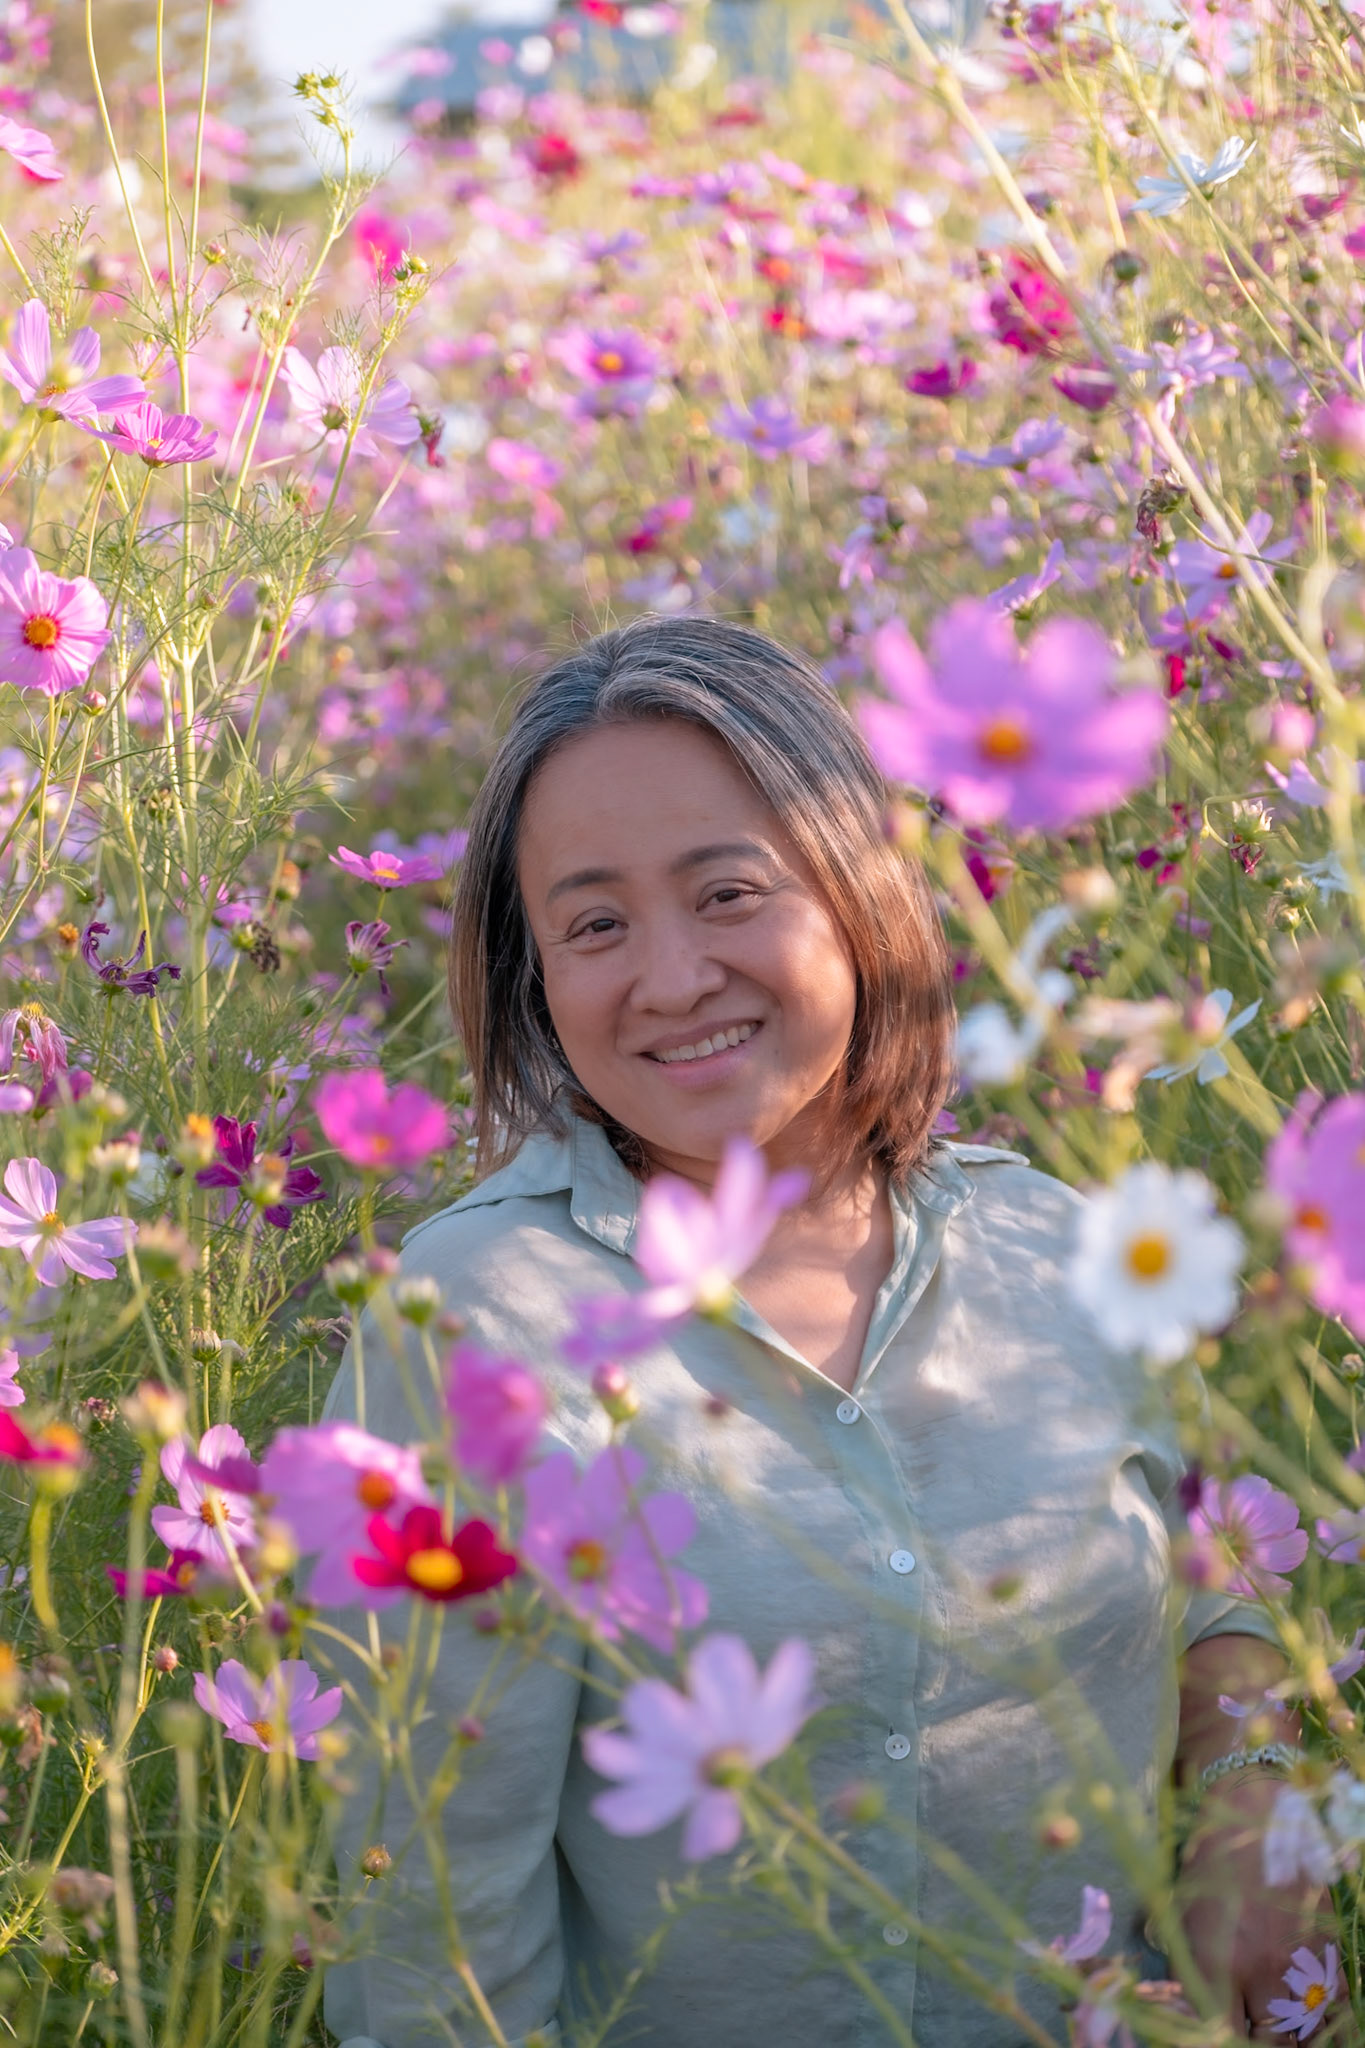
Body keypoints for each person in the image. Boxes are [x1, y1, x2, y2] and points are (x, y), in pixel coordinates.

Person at [322, 614, 1317, 2048]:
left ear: (860, 890)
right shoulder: (476, 1313)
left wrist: (1247, 1799)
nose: (671, 977)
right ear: (537, 978)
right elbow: (433, 1894)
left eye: (728, 892)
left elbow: (1213, 1585)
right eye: (594, 925)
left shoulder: (1062, 1245)